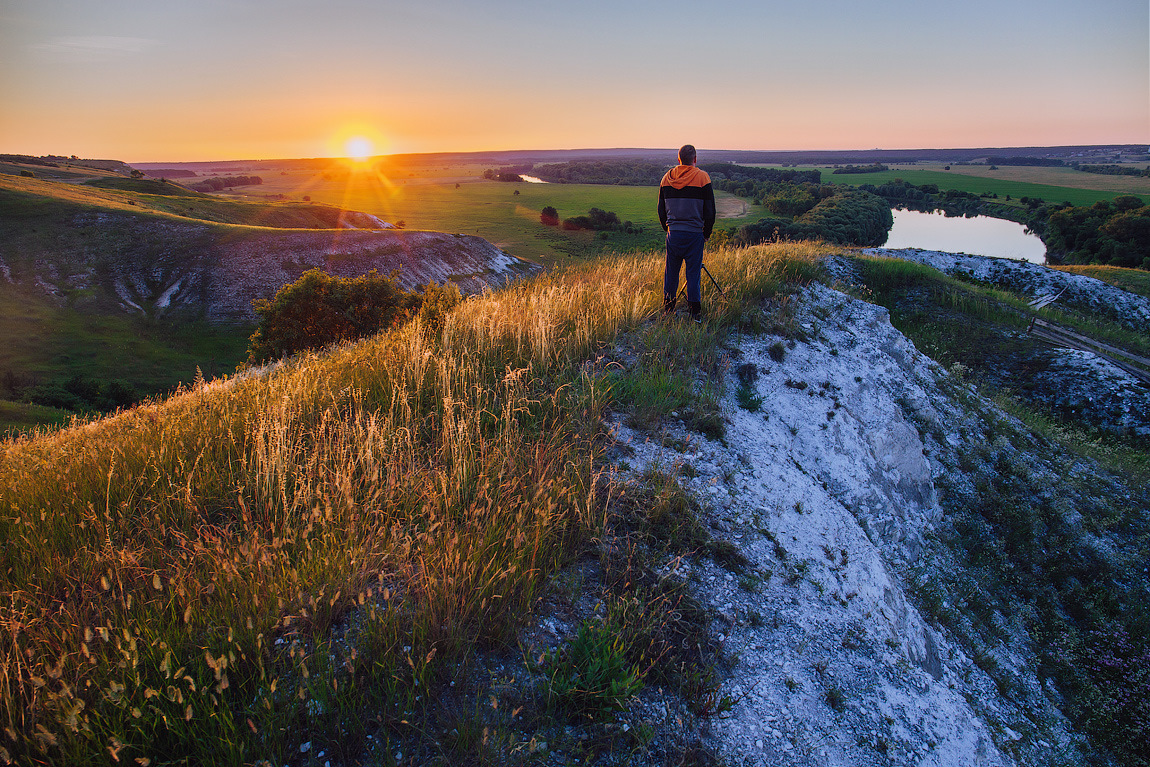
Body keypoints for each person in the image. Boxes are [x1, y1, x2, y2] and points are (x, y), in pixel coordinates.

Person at [658, 144, 715, 321]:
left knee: (671, 273)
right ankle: (695, 315)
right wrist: (706, 233)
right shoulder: (702, 178)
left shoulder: (666, 178)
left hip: (673, 234)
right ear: (695, 159)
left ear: (678, 159)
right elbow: (710, 211)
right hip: (694, 234)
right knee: (693, 274)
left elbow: (661, 210)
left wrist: (668, 228)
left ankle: (668, 310)